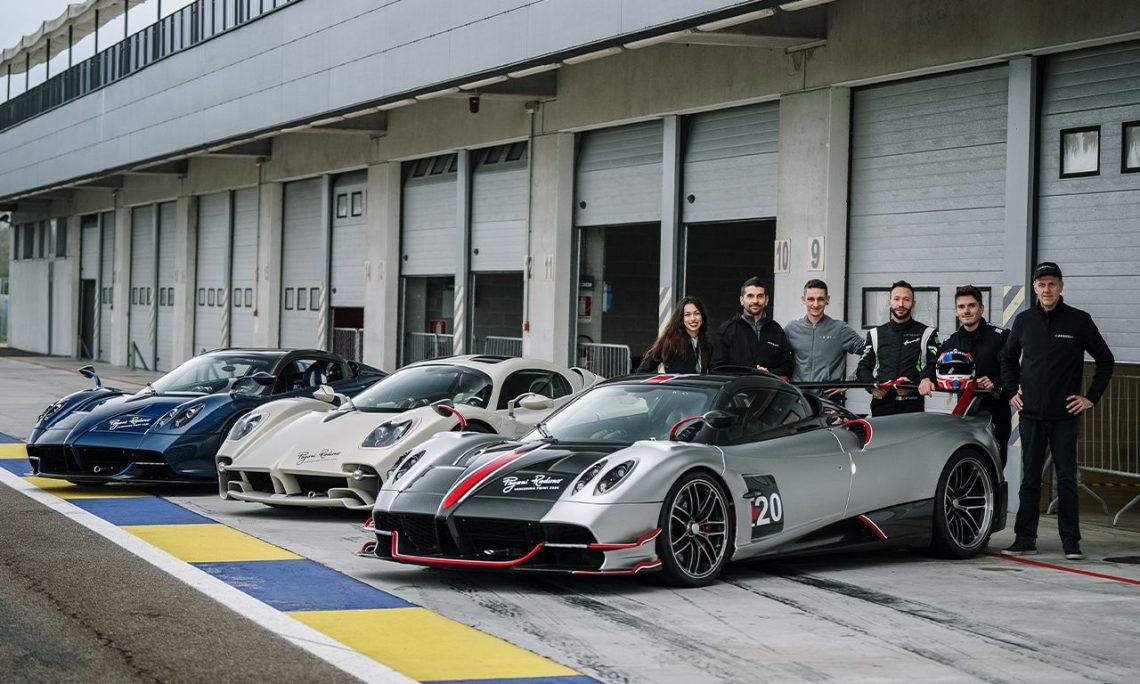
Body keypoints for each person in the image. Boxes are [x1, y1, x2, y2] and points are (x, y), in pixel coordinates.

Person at [1000, 262, 1114, 561]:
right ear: (1034, 288)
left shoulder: (1079, 321)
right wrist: (1011, 392)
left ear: (1061, 286)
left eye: (1052, 283)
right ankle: (1025, 539)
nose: (1047, 289)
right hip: (1031, 416)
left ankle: (1071, 542)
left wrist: (1090, 398)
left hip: (1065, 416)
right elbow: (1007, 359)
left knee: (1066, 479)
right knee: (1029, 479)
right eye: (1041, 284)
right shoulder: (1024, 321)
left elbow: (1106, 360)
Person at [919, 285, 1011, 467]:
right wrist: (926, 378)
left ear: (981, 308)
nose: (966, 311)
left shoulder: (1001, 337)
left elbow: (1013, 371)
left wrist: (995, 383)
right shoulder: (951, 342)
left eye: (971, 305)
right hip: (965, 414)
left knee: (995, 467)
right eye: (961, 307)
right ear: (956, 311)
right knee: (966, 464)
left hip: (995, 413)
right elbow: (933, 365)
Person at [856, 280, 940, 416]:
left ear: (913, 303)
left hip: (912, 406)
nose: (901, 304)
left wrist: (914, 384)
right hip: (881, 405)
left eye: (906, 299)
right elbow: (863, 367)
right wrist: (872, 386)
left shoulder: (927, 333)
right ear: (889, 302)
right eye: (896, 299)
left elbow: (935, 363)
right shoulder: (875, 333)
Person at [785, 279, 865, 403]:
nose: (815, 304)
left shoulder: (840, 329)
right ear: (803, 299)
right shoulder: (791, 329)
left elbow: (869, 352)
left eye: (820, 299)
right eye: (811, 299)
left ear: (827, 299)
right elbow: (778, 358)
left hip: (829, 401)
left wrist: (851, 380)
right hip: (799, 400)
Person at [712, 276, 794, 379]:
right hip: (738, 388)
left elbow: (787, 367)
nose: (755, 301)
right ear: (742, 300)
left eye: (760, 296)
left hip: (769, 387)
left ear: (766, 300)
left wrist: (769, 372)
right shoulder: (727, 330)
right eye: (750, 296)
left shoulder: (777, 331)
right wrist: (748, 375)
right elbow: (717, 368)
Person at [636, 296, 712, 374]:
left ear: (702, 316)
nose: (692, 318)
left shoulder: (707, 345)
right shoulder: (670, 342)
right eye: (687, 315)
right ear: (681, 318)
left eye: (696, 313)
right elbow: (642, 371)